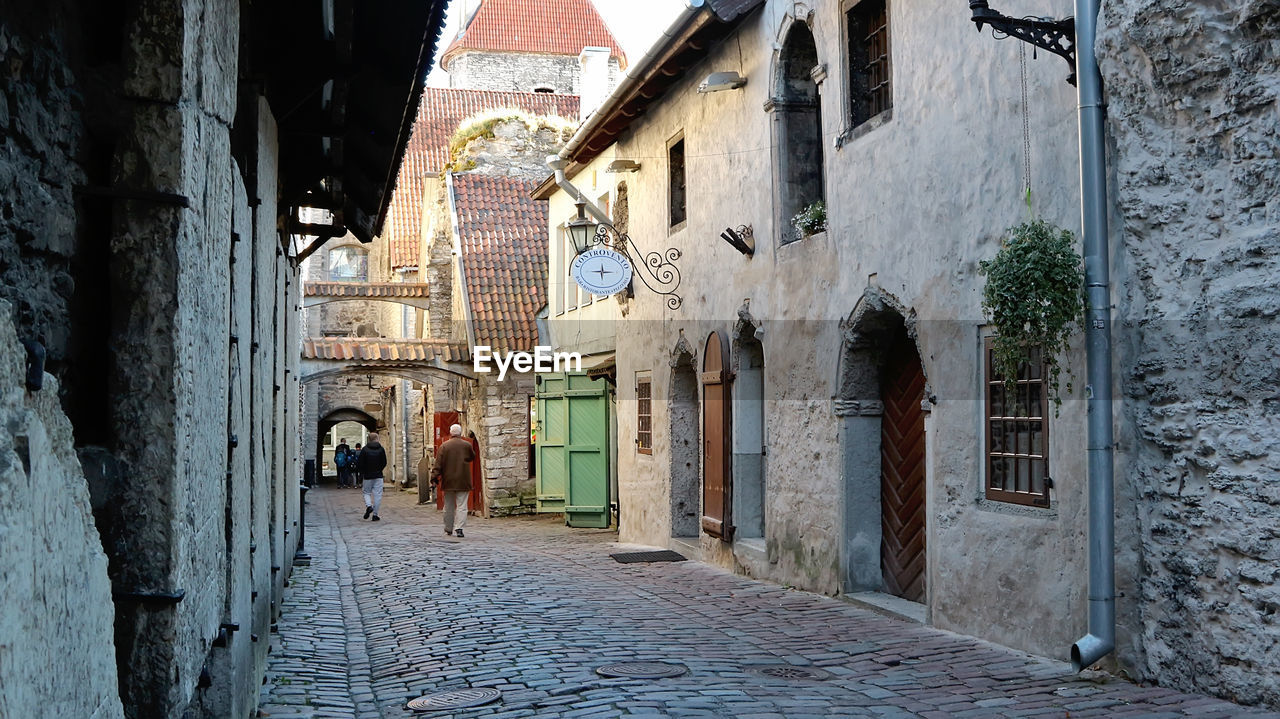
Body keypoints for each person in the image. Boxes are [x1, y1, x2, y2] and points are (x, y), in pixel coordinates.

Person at [431, 423, 475, 538]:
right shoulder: (467, 445)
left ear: (451, 432)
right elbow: (472, 457)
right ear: (460, 433)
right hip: (463, 479)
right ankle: (459, 528)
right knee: (462, 505)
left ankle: (448, 528)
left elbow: (438, 464)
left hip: (449, 479)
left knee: (448, 505)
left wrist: (434, 477)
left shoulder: (444, 446)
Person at [355, 434, 387, 521]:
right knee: (378, 495)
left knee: (366, 492)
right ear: (377, 439)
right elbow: (384, 462)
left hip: (367, 475)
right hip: (378, 475)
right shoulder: (381, 449)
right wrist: (379, 469)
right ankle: (375, 514)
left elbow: (360, 463)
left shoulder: (365, 450)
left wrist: (363, 472)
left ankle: (369, 506)